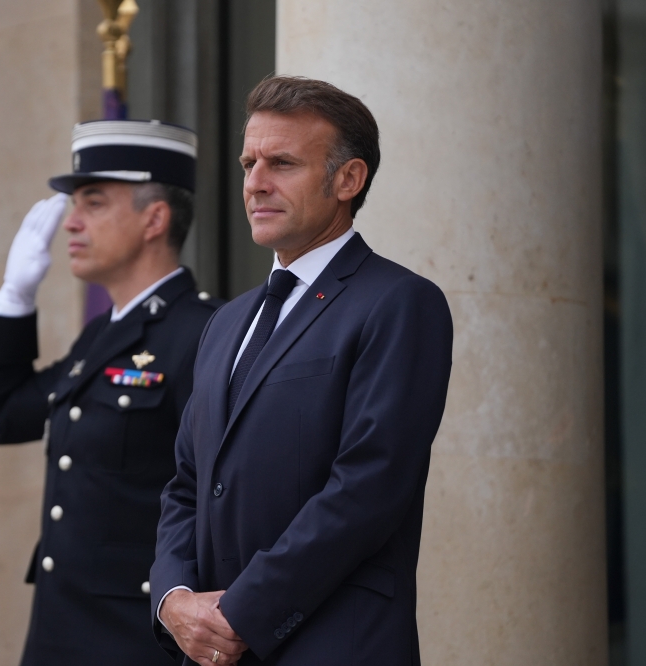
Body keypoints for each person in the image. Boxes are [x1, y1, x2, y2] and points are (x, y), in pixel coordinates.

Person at [150, 77, 453, 665]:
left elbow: (368, 488)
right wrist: (174, 599)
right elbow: (186, 485)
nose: (256, 183)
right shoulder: (225, 322)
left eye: (282, 163)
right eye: (249, 164)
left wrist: (242, 613)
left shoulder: (398, 302)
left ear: (348, 179)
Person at [0, 119, 222, 666]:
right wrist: (13, 302)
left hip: (136, 642)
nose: (71, 223)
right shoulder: (102, 336)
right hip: (60, 634)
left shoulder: (207, 335)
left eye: (94, 203)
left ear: (154, 218)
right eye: (74, 204)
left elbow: (221, 498)